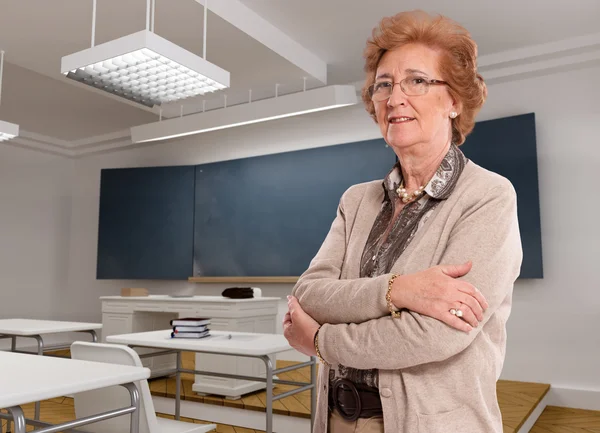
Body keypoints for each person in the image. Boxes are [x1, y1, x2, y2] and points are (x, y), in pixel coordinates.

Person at [282, 9, 523, 433]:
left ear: (453, 101)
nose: (395, 98)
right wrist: (400, 291)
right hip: (334, 419)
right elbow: (310, 295)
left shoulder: (488, 196)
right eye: (384, 85)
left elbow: (435, 333)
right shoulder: (355, 201)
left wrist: (321, 341)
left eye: (416, 81)